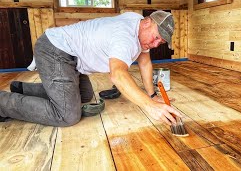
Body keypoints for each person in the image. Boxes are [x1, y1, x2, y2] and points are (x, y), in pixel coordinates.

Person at [0, 10, 182, 126]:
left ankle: (22, 88)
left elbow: (145, 62)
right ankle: (3, 102)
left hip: (73, 59)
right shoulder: (124, 37)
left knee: (85, 95)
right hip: (56, 49)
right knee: (66, 115)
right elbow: (118, 75)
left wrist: (151, 95)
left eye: (161, 42)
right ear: (147, 22)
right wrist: (150, 106)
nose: (156, 44)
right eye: (156, 37)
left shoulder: (137, 22)